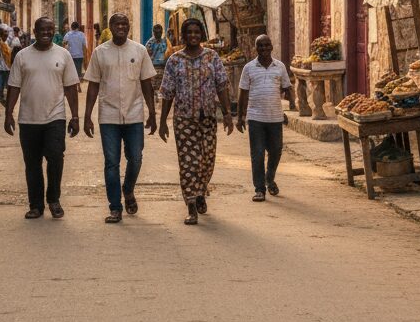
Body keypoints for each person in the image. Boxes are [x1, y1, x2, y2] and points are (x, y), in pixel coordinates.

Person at [4, 17, 81, 219]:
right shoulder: (22, 56)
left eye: (50, 29)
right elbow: (14, 86)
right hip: (28, 119)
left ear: (53, 31)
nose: (46, 33)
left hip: (55, 117)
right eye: (42, 30)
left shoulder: (63, 55)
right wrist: (8, 114)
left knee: (56, 157)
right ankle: (36, 205)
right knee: (32, 163)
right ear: (34, 31)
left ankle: (54, 199)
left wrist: (75, 116)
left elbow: (71, 87)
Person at [83, 13, 156, 224]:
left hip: (134, 115)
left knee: (136, 158)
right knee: (111, 163)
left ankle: (128, 189)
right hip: (108, 116)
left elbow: (146, 83)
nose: (121, 27)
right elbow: (93, 85)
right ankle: (115, 207)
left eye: (125, 23)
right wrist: (87, 116)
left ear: (129, 27)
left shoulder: (139, 51)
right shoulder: (100, 53)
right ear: (111, 27)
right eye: (117, 24)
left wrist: (151, 112)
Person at [158, 18, 232, 225]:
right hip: (184, 120)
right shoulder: (175, 60)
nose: (193, 36)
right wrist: (163, 121)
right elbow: (167, 91)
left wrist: (227, 113)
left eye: (196, 32)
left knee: (207, 161)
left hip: (207, 118)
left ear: (202, 35)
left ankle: (200, 191)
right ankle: (191, 204)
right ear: (183, 35)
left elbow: (222, 85)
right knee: (188, 162)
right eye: (189, 32)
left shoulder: (212, 57)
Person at [236, 35, 293, 201]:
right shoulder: (248, 68)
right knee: (258, 153)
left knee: (276, 151)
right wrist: (240, 117)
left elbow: (287, 88)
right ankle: (259, 188)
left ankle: (270, 178)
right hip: (255, 117)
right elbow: (243, 93)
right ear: (256, 48)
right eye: (260, 46)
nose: (264, 49)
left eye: (267, 45)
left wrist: (291, 107)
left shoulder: (280, 67)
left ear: (272, 47)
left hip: (275, 118)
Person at [0, 29, 12, 104]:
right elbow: (8, 53)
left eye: (6, 36)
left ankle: (3, 95)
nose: (6, 37)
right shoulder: (1, 44)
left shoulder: (5, 43)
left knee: (4, 82)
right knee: (3, 82)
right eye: (5, 36)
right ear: (2, 36)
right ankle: (1, 95)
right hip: (3, 66)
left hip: (6, 66)